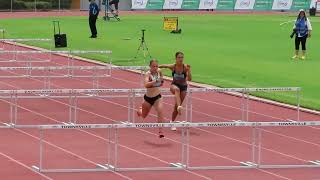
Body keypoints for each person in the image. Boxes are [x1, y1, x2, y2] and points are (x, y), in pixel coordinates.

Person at [159, 52, 192, 131]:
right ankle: (179, 106)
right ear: (176, 58)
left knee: (176, 108)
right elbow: (163, 66)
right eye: (179, 57)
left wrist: (189, 70)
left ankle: (172, 122)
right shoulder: (173, 66)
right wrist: (155, 67)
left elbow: (190, 79)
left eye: (182, 57)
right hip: (174, 85)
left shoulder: (185, 67)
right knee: (177, 90)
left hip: (183, 87)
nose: (181, 59)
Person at [137, 59, 165, 138]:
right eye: (153, 66)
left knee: (160, 110)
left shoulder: (159, 71)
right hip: (148, 98)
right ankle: (140, 110)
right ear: (150, 66)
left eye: (156, 66)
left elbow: (162, 81)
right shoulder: (147, 74)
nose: (155, 67)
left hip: (157, 97)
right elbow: (146, 85)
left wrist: (161, 81)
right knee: (143, 116)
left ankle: (160, 131)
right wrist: (155, 81)